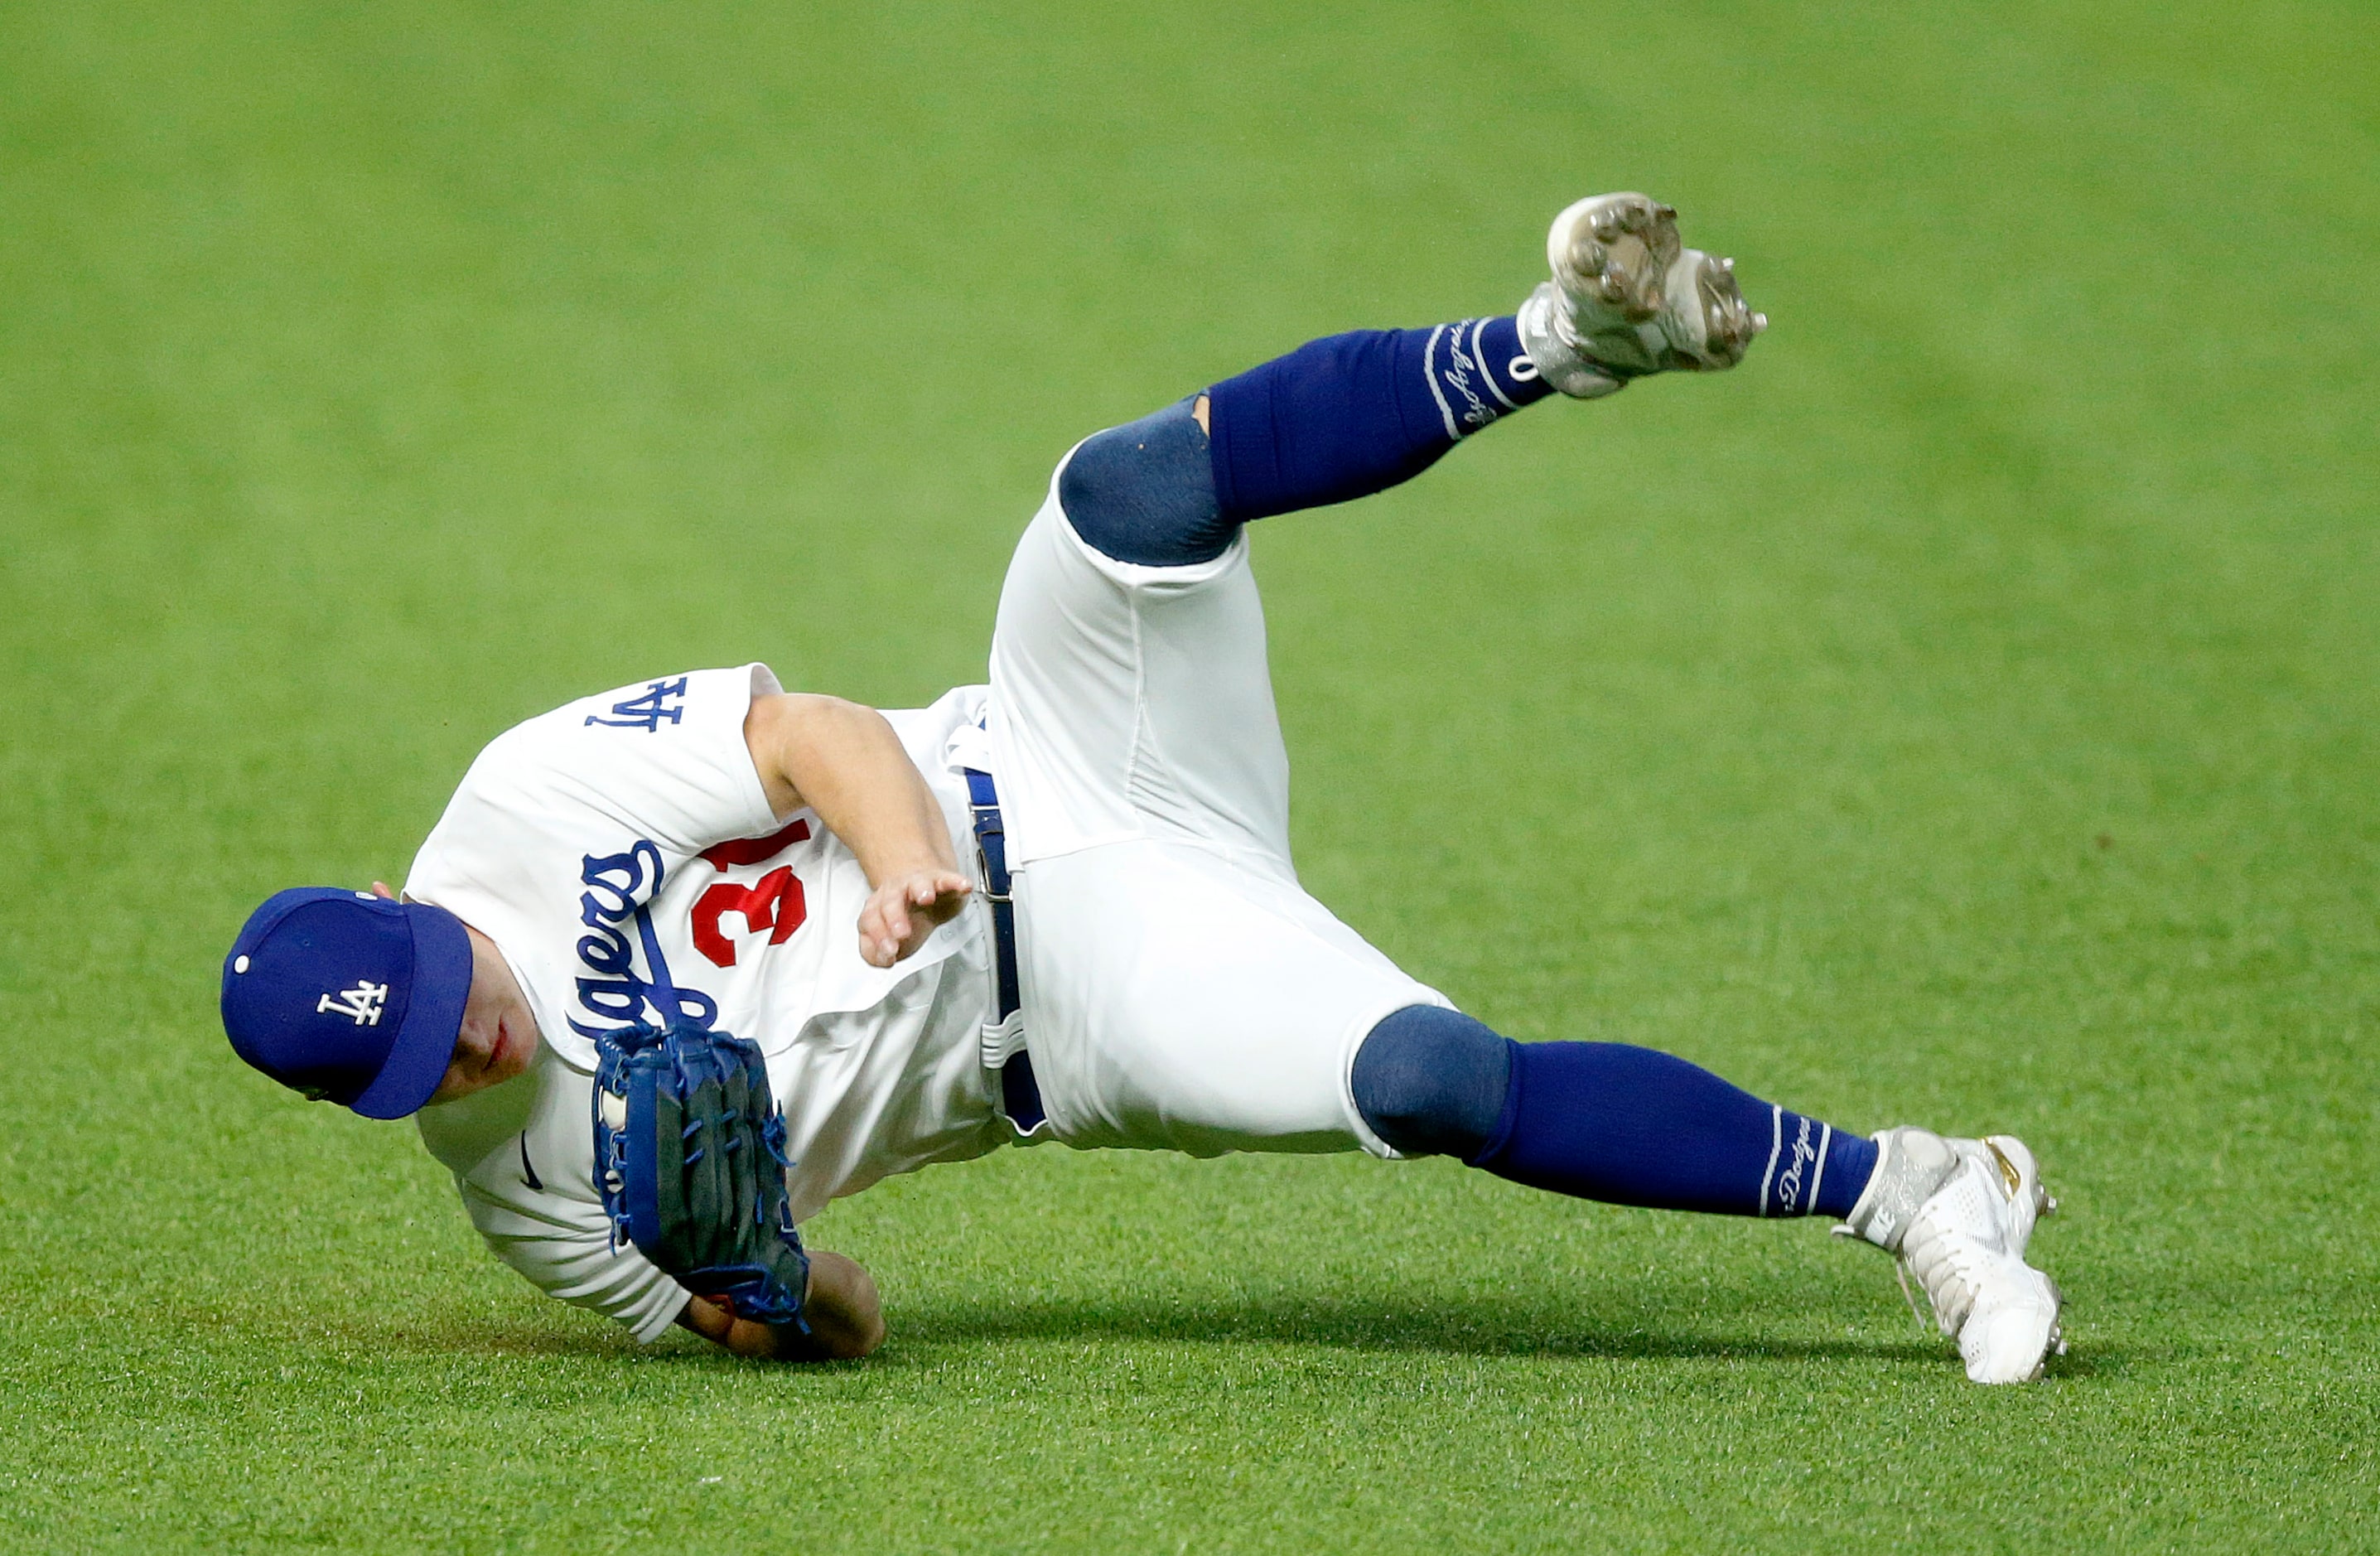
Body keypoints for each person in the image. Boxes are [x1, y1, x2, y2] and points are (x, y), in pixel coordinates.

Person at [220, 194, 2064, 1384]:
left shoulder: (516, 807)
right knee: (1425, 1084)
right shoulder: (533, 1201)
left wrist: (899, 859)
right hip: (1101, 1006)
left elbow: (808, 735)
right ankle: (1921, 1190)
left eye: (442, 998)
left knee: (1121, 493)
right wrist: (774, 1283)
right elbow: (828, 1322)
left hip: (1047, 743)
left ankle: (1560, 341)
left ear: (400, 908)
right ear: (363, 1100)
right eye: (416, 1072)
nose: (465, 1047)